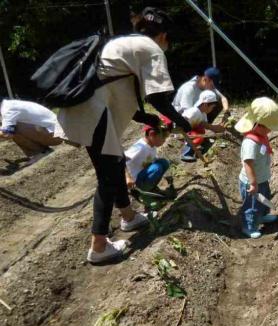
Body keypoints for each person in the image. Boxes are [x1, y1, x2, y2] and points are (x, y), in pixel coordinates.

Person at [54, 7, 192, 263]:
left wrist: (149, 119)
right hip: (94, 114)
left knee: (115, 165)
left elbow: (122, 91)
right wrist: (185, 123)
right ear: (163, 35)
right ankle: (98, 246)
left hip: (85, 110)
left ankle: (128, 218)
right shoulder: (151, 49)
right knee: (107, 177)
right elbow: (158, 99)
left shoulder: (123, 42)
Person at [235, 97, 278, 238]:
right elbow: (248, 163)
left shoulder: (260, 137)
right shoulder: (250, 143)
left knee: (264, 199)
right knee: (252, 205)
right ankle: (249, 226)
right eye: (269, 128)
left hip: (261, 178)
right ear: (258, 125)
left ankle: (261, 217)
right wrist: (253, 183)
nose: (270, 131)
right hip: (252, 182)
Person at [0, 99, 62, 165]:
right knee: (9, 128)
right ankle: (41, 152)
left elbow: (7, 134)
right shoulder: (8, 105)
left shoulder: (7, 110)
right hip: (54, 131)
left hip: (56, 135)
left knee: (12, 129)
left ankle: (41, 152)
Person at [125, 115, 172, 193]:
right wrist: (127, 178)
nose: (164, 141)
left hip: (143, 174)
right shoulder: (140, 147)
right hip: (135, 181)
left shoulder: (152, 145)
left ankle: (151, 187)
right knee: (157, 168)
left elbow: (151, 159)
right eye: (163, 137)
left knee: (164, 163)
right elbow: (121, 159)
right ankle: (142, 191)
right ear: (152, 134)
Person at [180, 90, 226, 162]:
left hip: (190, 131)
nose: (212, 109)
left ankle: (197, 147)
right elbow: (183, 121)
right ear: (205, 104)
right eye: (212, 107)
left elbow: (205, 125)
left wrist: (216, 127)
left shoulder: (203, 114)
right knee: (199, 136)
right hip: (183, 131)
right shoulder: (194, 111)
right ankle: (186, 153)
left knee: (201, 131)